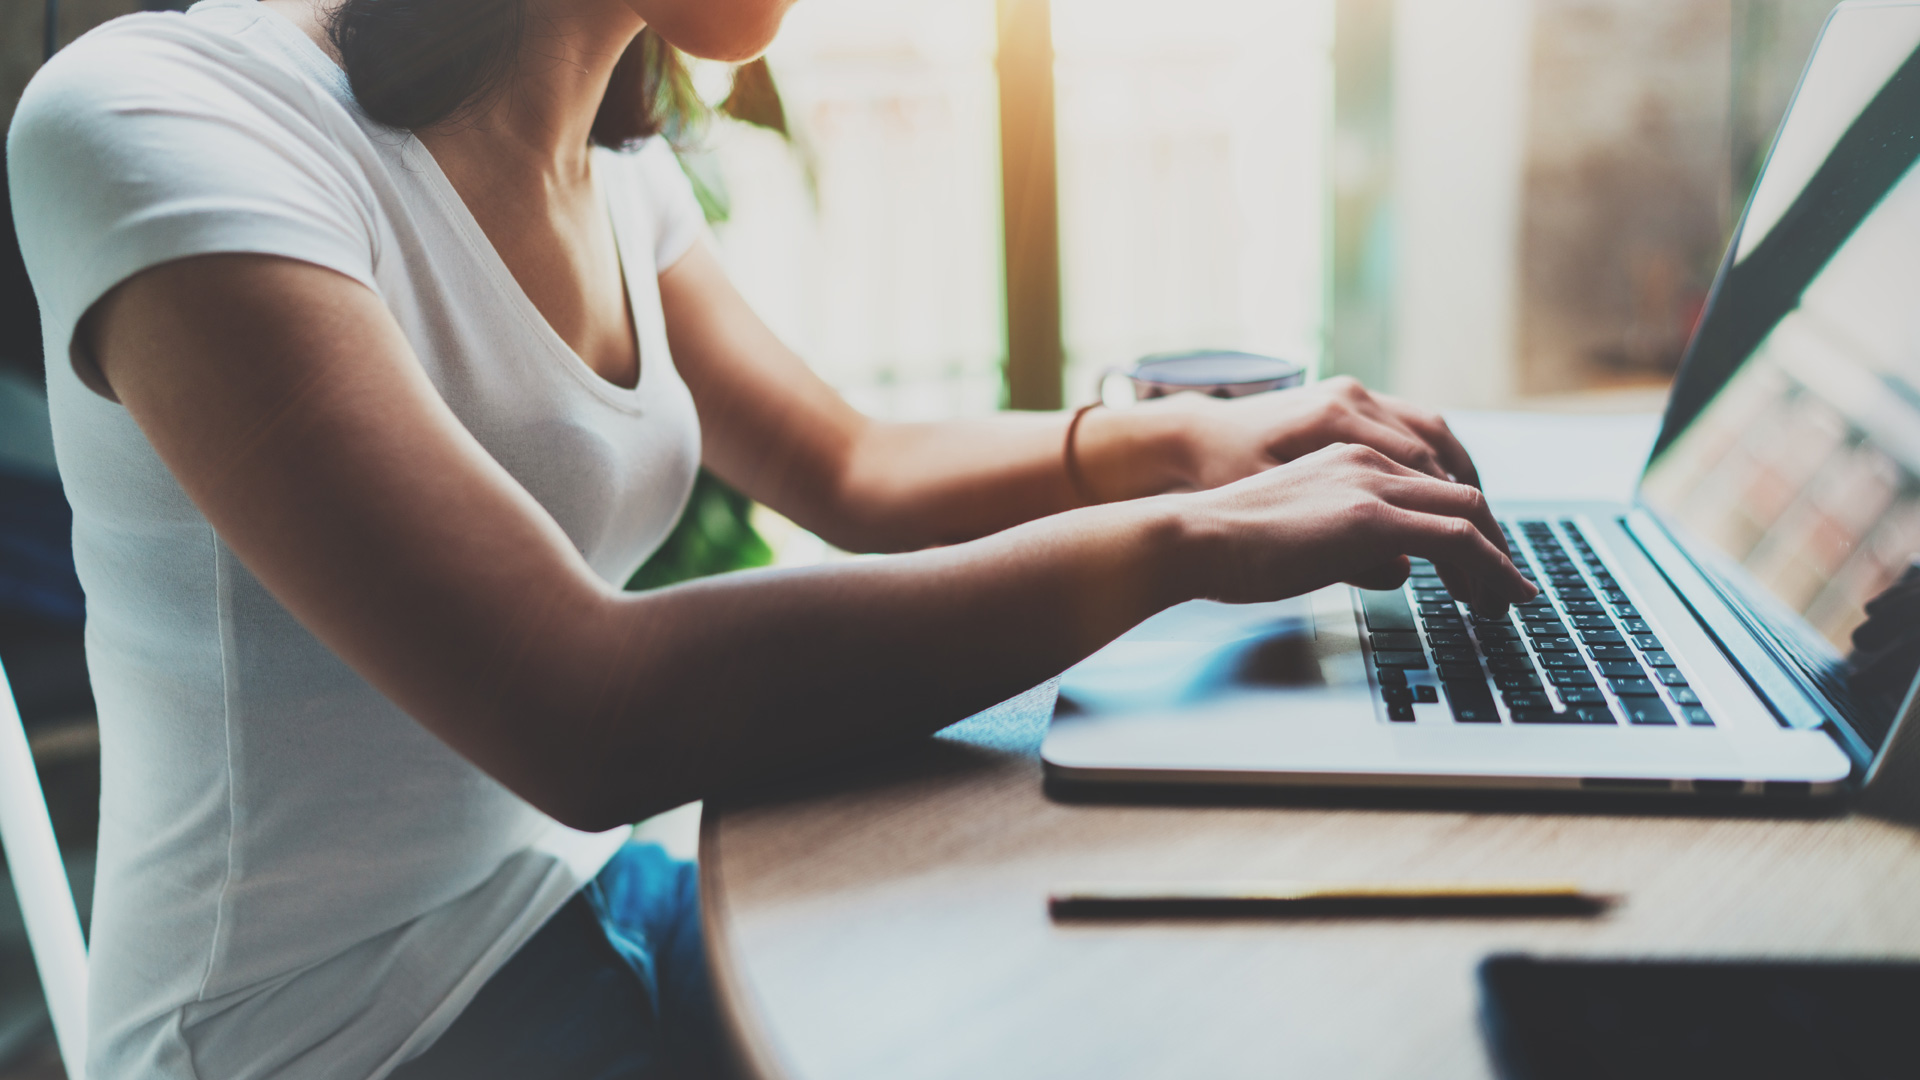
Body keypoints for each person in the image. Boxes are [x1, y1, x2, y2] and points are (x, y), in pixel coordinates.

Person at [5, 0, 1534, 1076]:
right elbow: (580, 704)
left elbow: (846, 462)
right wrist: (1184, 538)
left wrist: (1171, 443)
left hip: (573, 906)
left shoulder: (613, 158)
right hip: (340, 1037)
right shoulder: (167, 120)